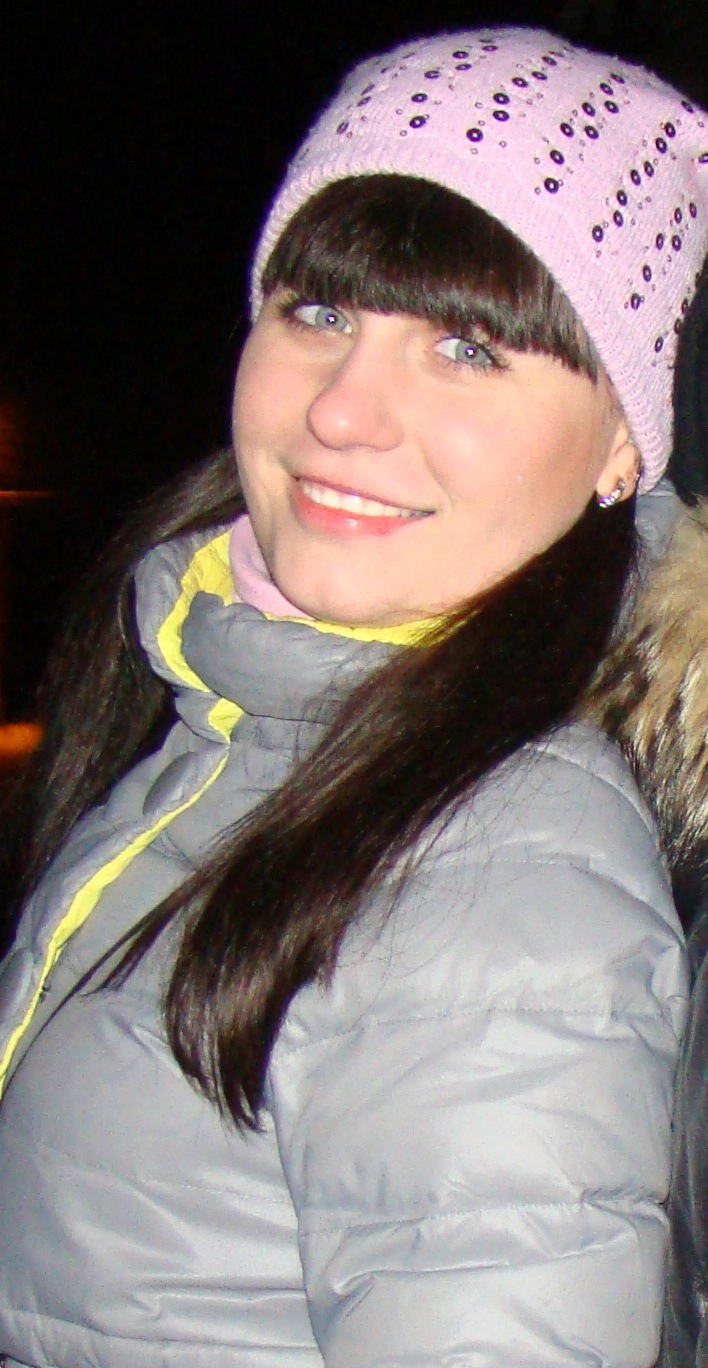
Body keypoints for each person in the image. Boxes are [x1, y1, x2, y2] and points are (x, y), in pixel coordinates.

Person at [0, 25, 705, 1368]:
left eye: (468, 348)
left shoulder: (498, 870)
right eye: (319, 312)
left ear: (622, 443)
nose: (342, 412)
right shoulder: (231, 716)